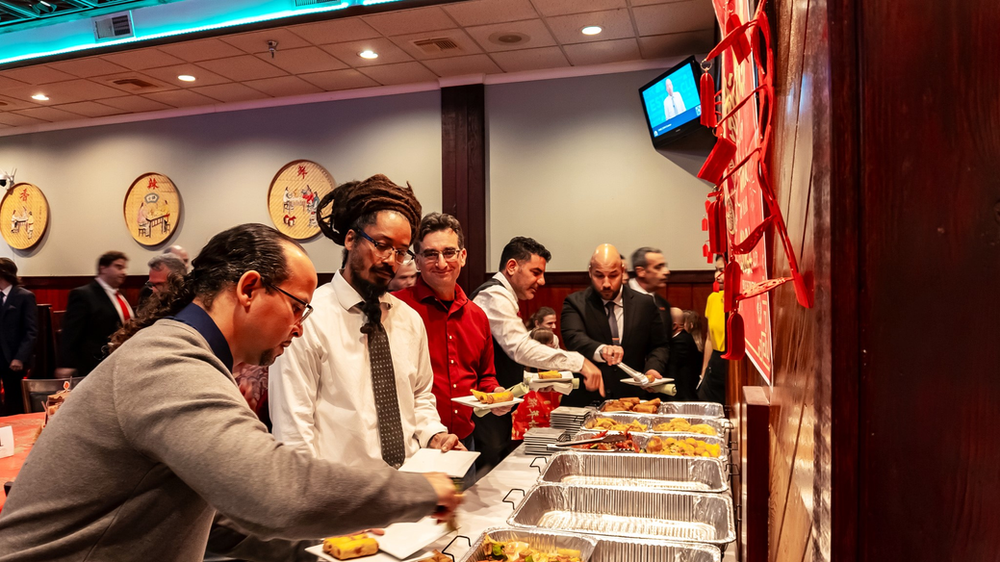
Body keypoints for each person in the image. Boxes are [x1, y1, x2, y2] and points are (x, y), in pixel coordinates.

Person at [0, 224, 460, 562]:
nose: (300, 328)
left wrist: (315, 550)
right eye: (298, 308)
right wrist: (420, 491)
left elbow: (222, 518)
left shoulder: (187, 354)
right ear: (249, 289)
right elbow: (275, 491)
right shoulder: (169, 361)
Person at [270, 175, 462, 470]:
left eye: (401, 251)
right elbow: (293, 430)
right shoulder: (308, 319)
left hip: (408, 482)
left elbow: (420, 396)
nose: (390, 260)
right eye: (382, 245)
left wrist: (433, 434)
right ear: (350, 239)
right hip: (343, 495)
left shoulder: (409, 320)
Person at [470, 236, 603, 471]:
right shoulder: (494, 295)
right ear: (512, 267)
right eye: (536, 272)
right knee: (485, 478)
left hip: (497, 404)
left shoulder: (504, 295)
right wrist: (579, 361)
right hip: (484, 408)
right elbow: (519, 348)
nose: (541, 281)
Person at [393, 213, 509, 460]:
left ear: (463, 256)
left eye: (449, 253)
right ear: (417, 261)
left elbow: (485, 377)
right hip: (414, 445)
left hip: (464, 442)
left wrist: (496, 395)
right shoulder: (396, 309)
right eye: (431, 254)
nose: (442, 263)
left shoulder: (477, 316)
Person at [560, 244, 670, 405]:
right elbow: (574, 337)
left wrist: (652, 369)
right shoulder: (575, 303)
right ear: (590, 272)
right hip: (587, 398)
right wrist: (601, 350)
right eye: (599, 276)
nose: (606, 284)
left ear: (623, 270)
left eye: (613, 275)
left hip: (632, 399)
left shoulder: (644, 303)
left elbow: (659, 345)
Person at [55, 251, 132, 378]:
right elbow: (71, 331)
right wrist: (66, 364)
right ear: (103, 268)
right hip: (94, 364)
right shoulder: (83, 294)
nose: (124, 272)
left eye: (124, 268)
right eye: (118, 267)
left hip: (120, 361)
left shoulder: (120, 295)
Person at [0, 258, 37, 415]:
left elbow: (31, 331)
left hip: (13, 358)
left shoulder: (24, 296)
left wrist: (19, 357)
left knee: (14, 400)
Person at [699, 255, 728, 404]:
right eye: (716, 270)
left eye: (722, 270)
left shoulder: (743, 299)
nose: (717, 275)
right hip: (716, 360)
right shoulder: (713, 298)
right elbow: (709, 338)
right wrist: (704, 370)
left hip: (733, 362)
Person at [630, 246, 673, 328]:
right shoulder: (620, 296)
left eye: (665, 266)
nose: (666, 272)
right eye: (658, 267)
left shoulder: (663, 304)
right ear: (641, 271)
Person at [667, 307, 702, 401]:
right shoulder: (684, 337)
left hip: (680, 398)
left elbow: (668, 368)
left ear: (674, 326)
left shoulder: (681, 342)